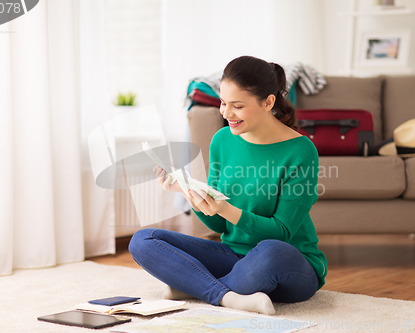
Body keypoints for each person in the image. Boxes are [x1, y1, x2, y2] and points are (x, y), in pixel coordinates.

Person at [129, 55, 328, 315]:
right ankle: (229, 296)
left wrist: (225, 209)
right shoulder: (222, 140)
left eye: (237, 105)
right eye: (223, 102)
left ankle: (195, 287)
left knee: (272, 251)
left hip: (289, 264)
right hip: (233, 258)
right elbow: (220, 226)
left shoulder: (301, 151)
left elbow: (281, 232)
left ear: (268, 102)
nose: (226, 112)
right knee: (143, 240)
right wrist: (190, 194)